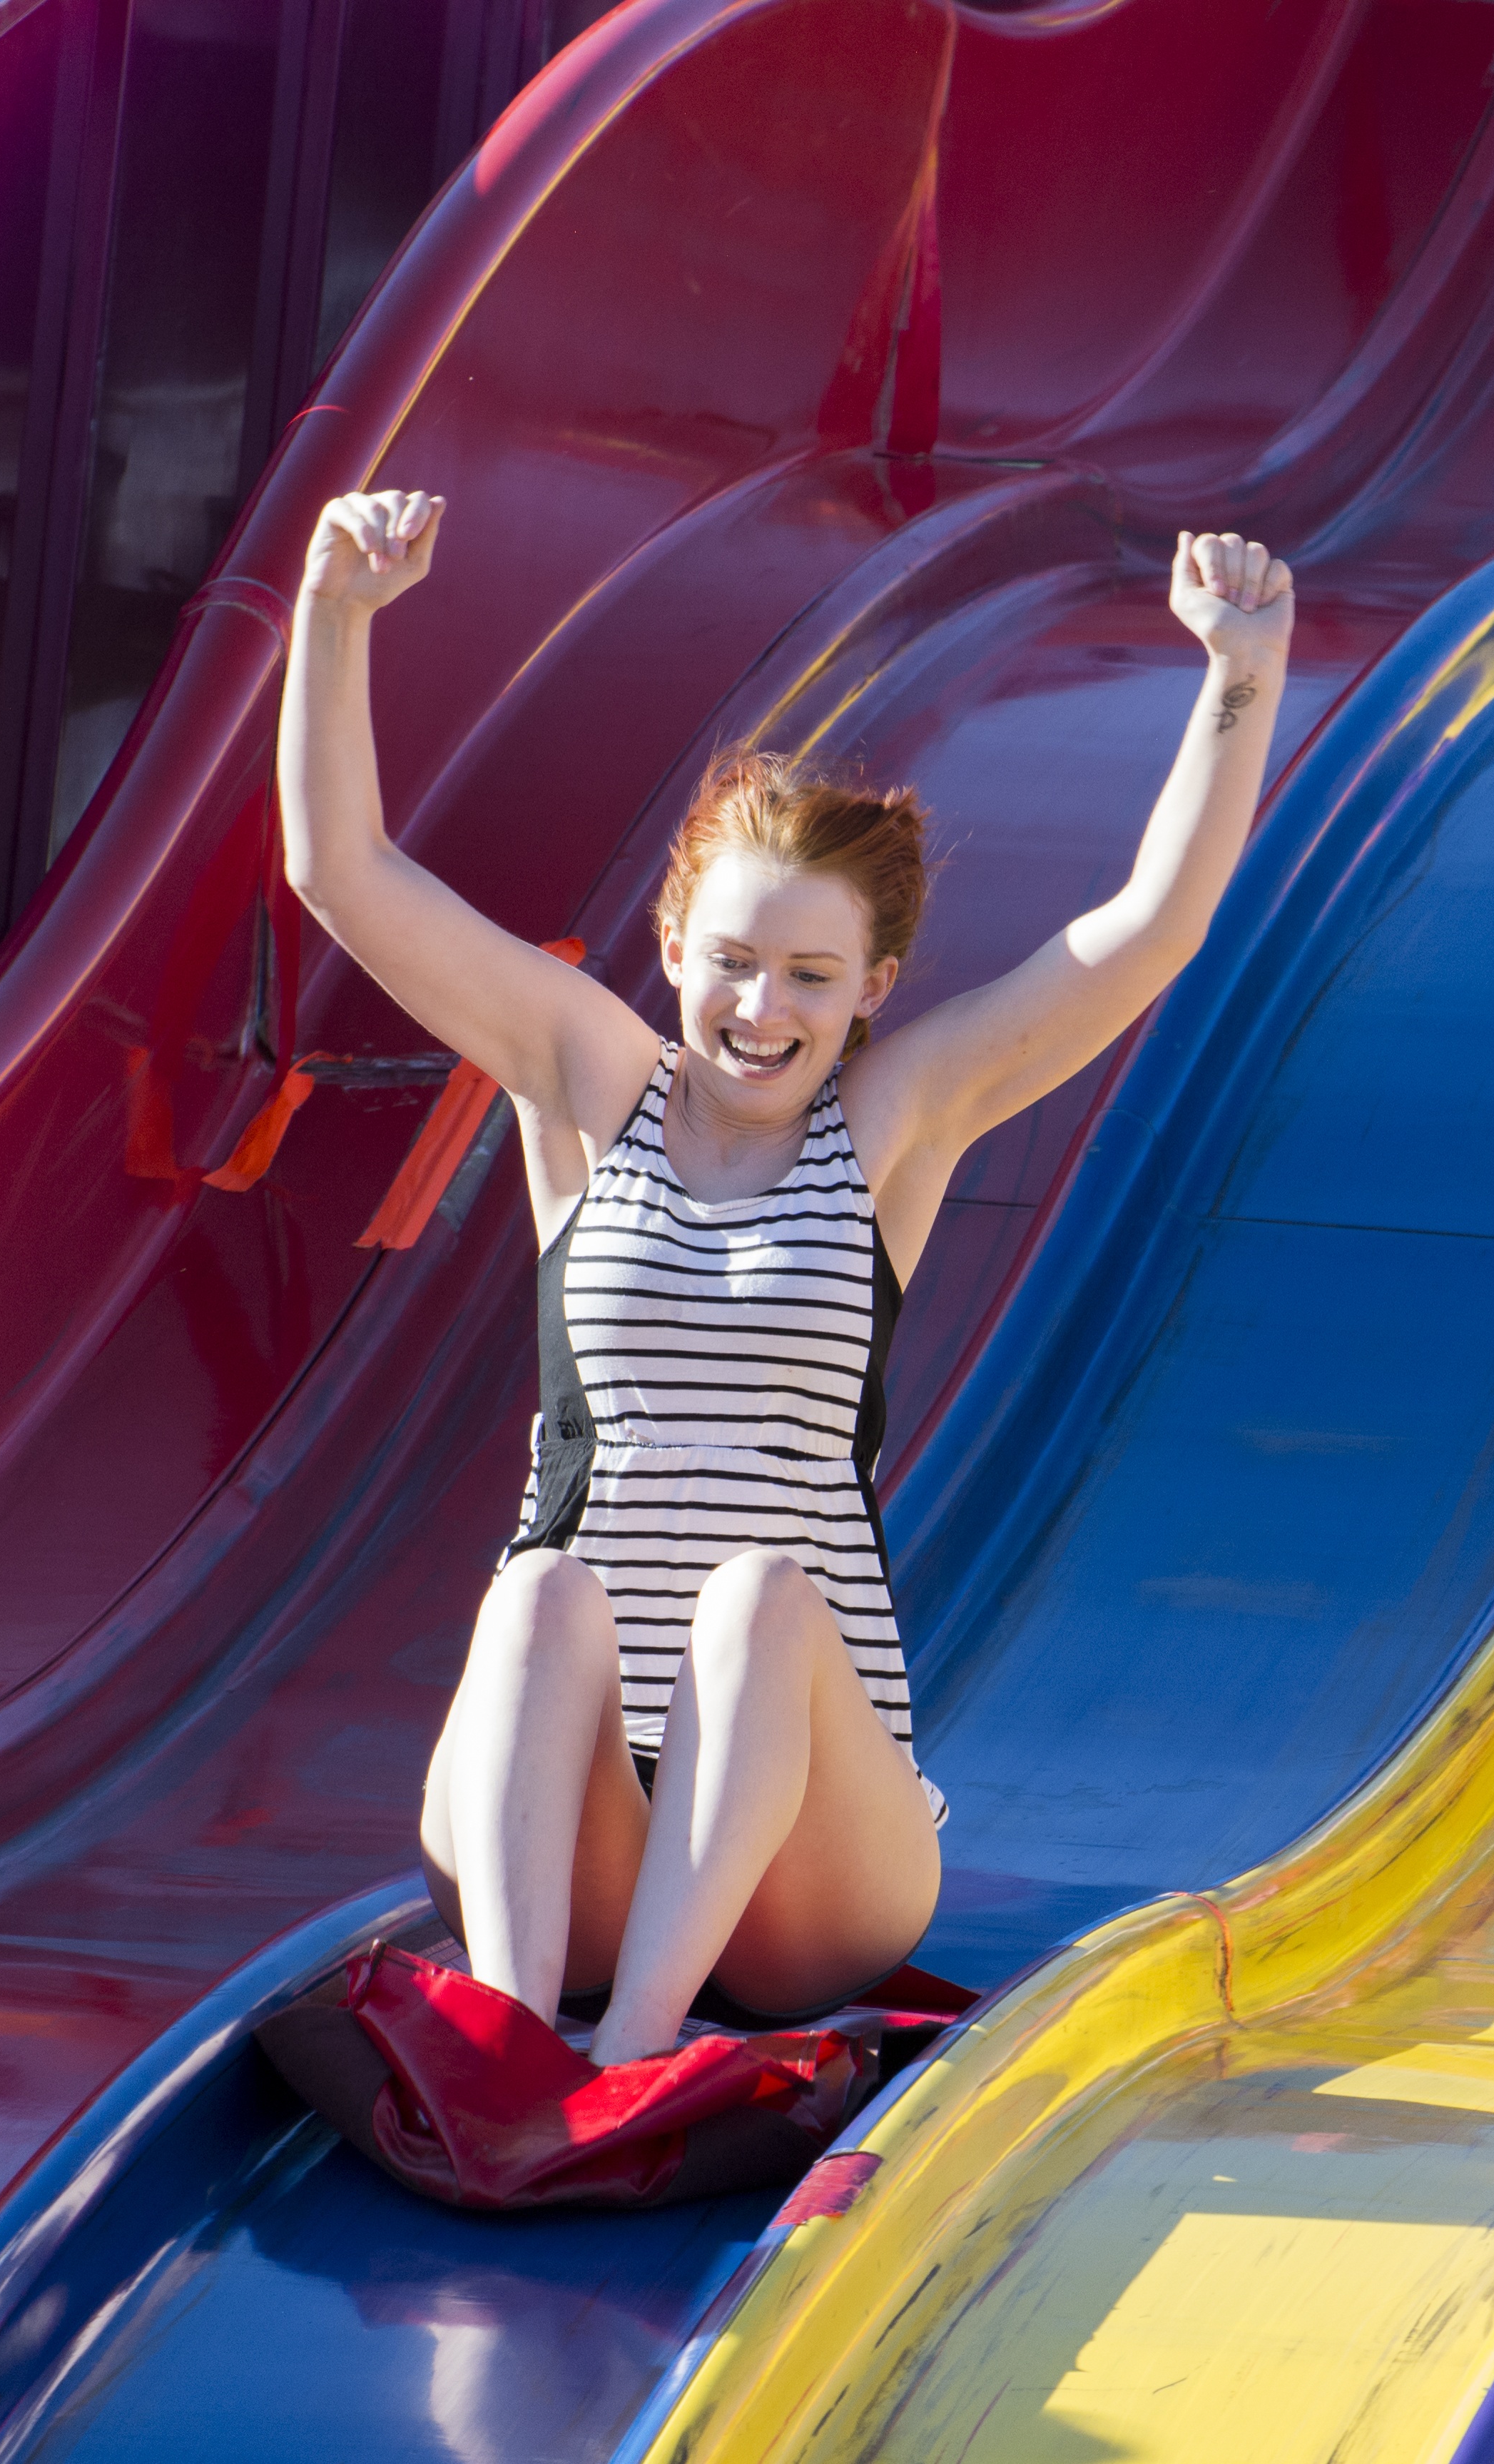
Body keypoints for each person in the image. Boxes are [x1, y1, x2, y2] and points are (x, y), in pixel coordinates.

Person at [280, 492, 1296, 2065]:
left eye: (813, 976)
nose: (763, 1007)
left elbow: (1145, 933)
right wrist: (334, 616)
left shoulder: (887, 1126)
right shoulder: (583, 1080)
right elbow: (342, 871)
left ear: (874, 989)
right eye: (734, 960)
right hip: (566, 1831)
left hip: (811, 1861)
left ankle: (635, 2049)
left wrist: (1241, 671)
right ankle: (506, 2021)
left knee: (762, 1593)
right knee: (544, 1586)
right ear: (674, 938)